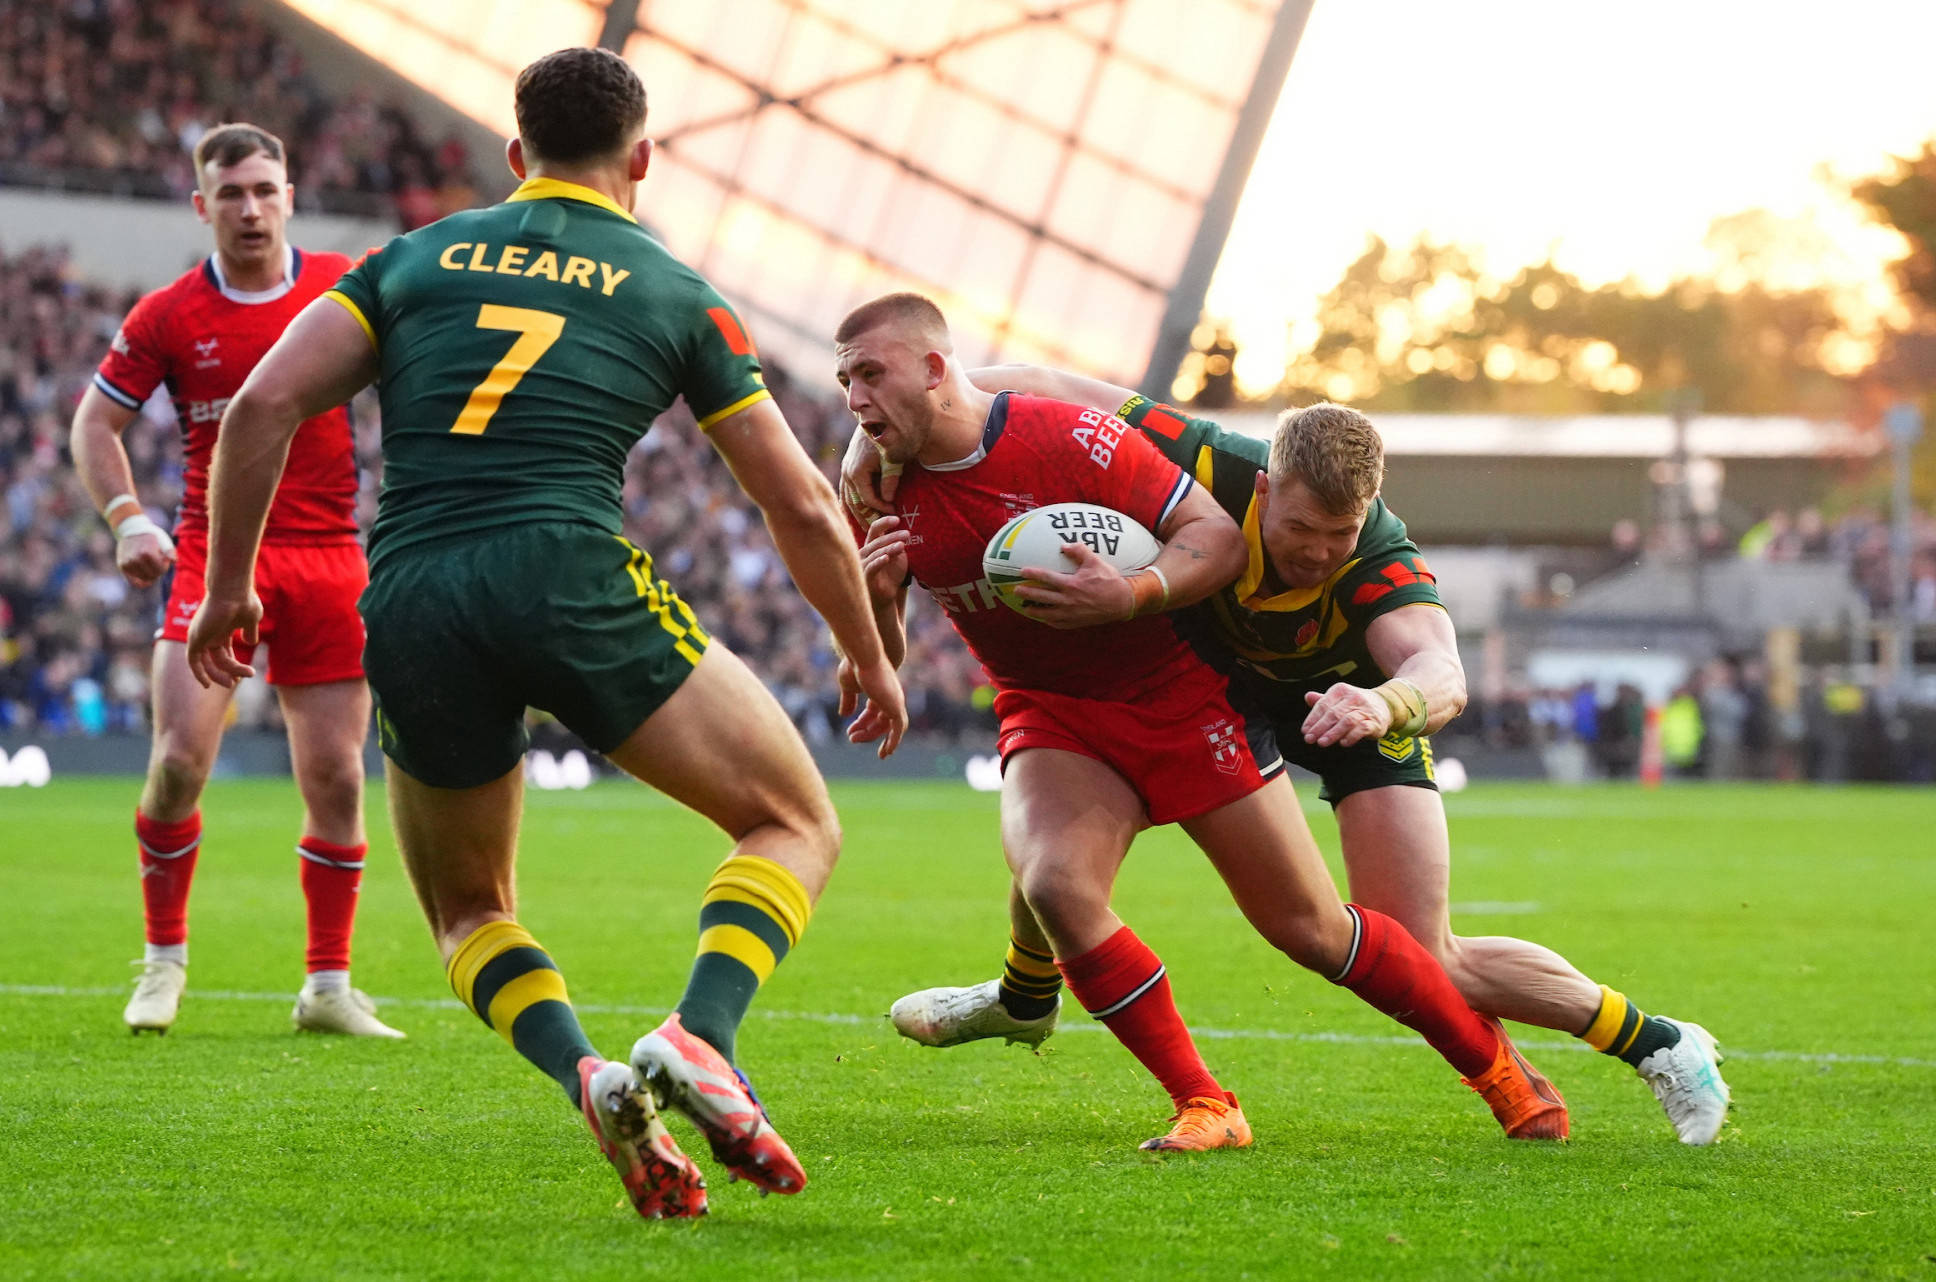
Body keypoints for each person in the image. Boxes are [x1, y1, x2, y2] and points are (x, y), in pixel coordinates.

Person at [185, 48, 906, 1220]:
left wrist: (227, 589)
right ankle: (699, 1035)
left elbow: (262, 405)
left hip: (411, 592)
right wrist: (868, 652)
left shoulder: (408, 260)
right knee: (791, 817)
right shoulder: (673, 287)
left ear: (515, 156)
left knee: (470, 911)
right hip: (565, 570)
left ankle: (587, 1073)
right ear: (643, 161)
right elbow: (799, 499)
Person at [848, 370, 1732, 1146]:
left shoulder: (1379, 555)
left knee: (1426, 954)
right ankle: (1027, 989)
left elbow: (1442, 673)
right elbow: (1018, 380)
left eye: (1339, 535)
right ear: (1266, 487)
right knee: (1062, 831)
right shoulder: (1206, 462)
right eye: (1304, 527)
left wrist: (1381, 702)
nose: (1318, 551)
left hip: (1351, 711)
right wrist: (866, 434)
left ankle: (1659, 1042)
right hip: (1219, 690)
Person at [69, 123, 401, 1040]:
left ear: (290, 194)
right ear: (201, 205)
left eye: (264, 189)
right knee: (178, 763)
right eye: (231, 194)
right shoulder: (169, 314)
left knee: (336, 775)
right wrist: (127, 518)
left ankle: (328, 986)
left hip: (330, 556)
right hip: (213, 554)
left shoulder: (345, 285)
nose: (250, 209)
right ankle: (164, 961)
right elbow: (94, 425)